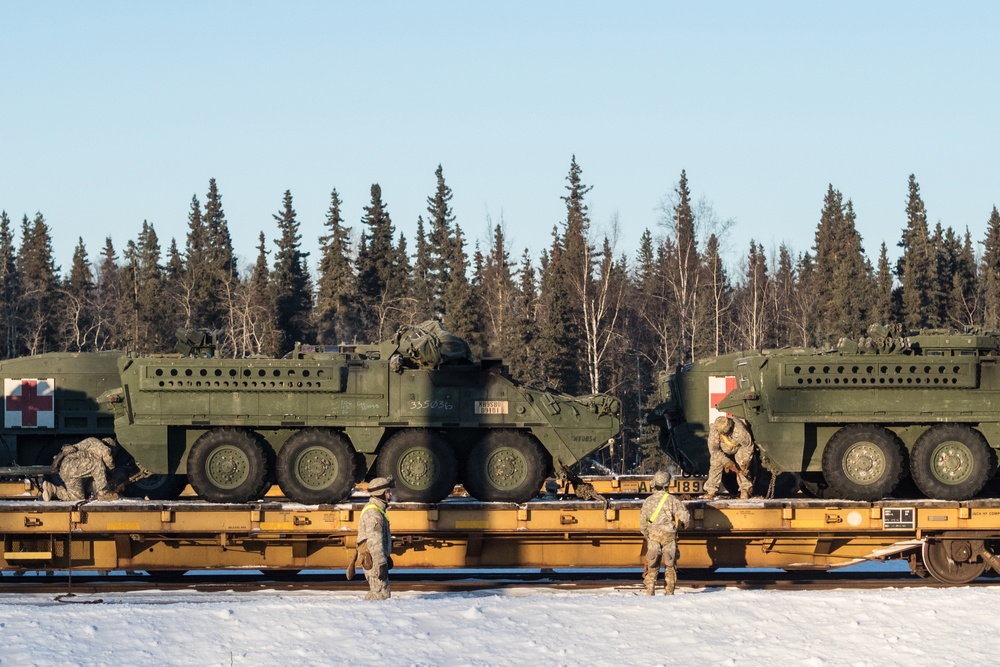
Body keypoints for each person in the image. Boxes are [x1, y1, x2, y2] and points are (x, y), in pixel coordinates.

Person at [639, 470, 690, 595]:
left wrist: (648, 535)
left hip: (653, 535)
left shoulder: (648, 501)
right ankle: (669, 592)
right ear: (667, 484)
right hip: (669, 536)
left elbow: (642, 523)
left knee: (652, 564)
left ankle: (650, 589)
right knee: (670, 565)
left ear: (654, 483)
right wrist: (683, 526)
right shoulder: (672, 500)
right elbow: (685, 517)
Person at [41, 437, 119, 502]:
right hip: (71, 464)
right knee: (96, 464)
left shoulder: (91, 441)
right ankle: (104, 493)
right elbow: (108, 457)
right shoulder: (101, 445)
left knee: (77, 498)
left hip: (65, 469)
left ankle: (53, 489)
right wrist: (112, 471)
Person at [357, 476, 395, 600]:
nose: (390, 494)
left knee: (380, 593)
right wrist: (381, 563)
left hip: (375, 559)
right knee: (380, 595)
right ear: (380, 494)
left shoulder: (378, 510)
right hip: (373, 560)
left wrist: (386, 556)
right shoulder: (374, 514)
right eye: (387, 492)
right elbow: (374, 540)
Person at [704, 415, 755, 499]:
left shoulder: (740, 431)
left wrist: (747, 459)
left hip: (739, 447)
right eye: (722, 433)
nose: (725, 435)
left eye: (726, 433)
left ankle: (745, 489)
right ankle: (711, 490)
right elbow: (714, 450)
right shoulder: (714, 431)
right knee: (715, 463)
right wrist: (726, 461)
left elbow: (748, 445)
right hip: (722, 450)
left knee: (742, 464)